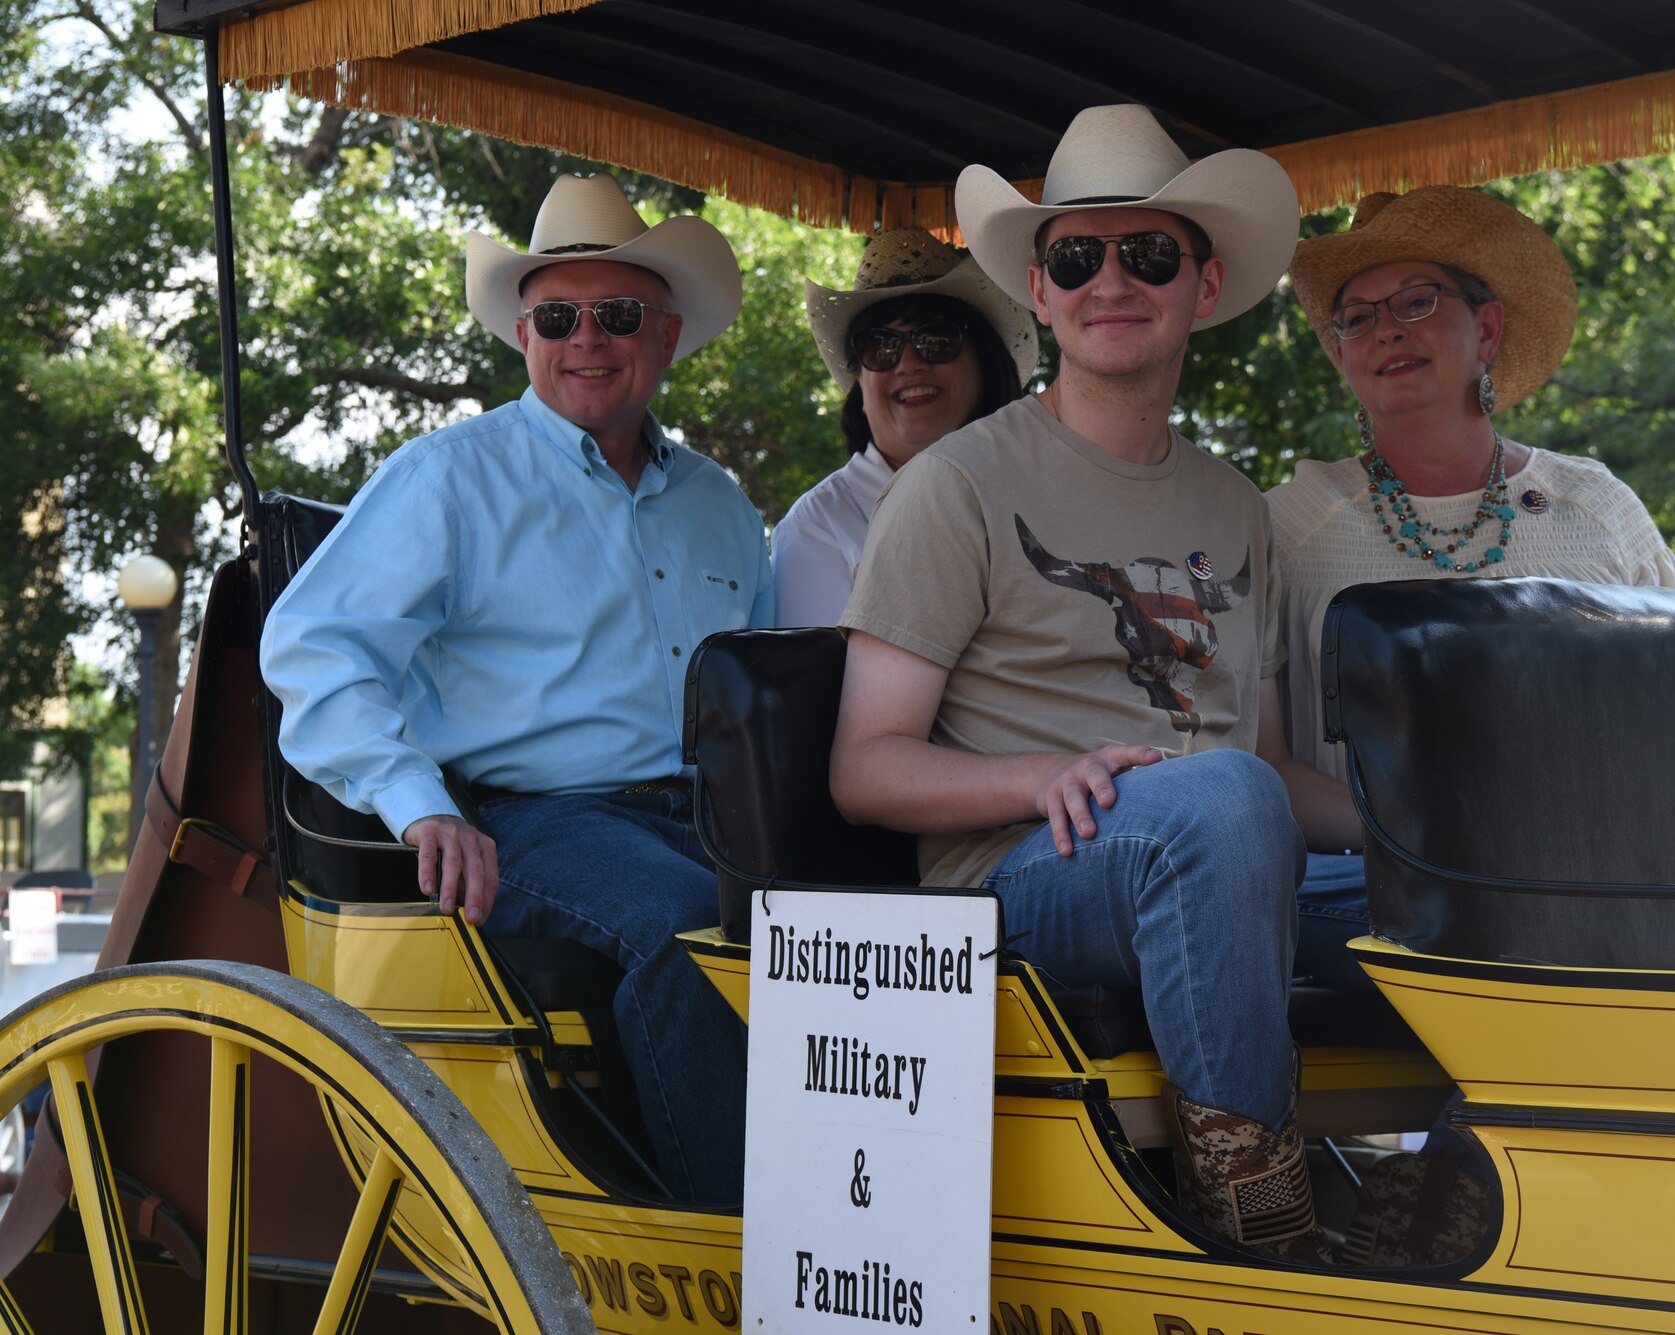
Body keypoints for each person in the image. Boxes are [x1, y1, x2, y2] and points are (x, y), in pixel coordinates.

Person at [827, 104, 1335, 1262]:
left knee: (1469, 892)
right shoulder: (953, 486)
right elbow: (864, 768)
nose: (1112, 279)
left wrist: (1427, 835)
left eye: (1147, 253)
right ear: (1042, 293)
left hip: (1218, 842)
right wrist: (1041, 774)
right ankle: (1260, 1227)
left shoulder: (1231, 503)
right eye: (1075, 257)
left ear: (1202, 287)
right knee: (1216, 809)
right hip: (1017, 886)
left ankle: (1472, 1197)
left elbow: (1257, 765)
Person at [261, 173, 770, 1205]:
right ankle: (750, 1261)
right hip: (540, 822)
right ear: (524, 336)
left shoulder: (721, 506)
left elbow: (763, 695)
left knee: (888, 933)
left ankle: (888, 1251)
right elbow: (315, 647)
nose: (587, 338)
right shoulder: (448, 477)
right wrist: (419, 806)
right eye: (557, 317)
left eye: (617, 316)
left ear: (665, 337)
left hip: (718, 822)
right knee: (686, 932)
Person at [1269, 186, 1675, 994]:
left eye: (1417, 301)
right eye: (1357, 316)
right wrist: (1434, 837)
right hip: (1375, 899)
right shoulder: (1291, 526)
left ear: (1487, 328)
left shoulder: (1595, 507)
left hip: (1596, 882)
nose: (1386, 327)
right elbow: (1261, 765)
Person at [772, 229, 1036, 625]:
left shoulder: (1037, 495)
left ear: (985, 361)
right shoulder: (818, 527)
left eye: (937, 339)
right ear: (859, 380)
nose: (908, 363)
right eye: (880, 346)